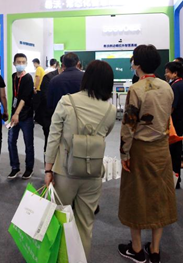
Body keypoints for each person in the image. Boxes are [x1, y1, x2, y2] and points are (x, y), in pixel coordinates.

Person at [44, 60, 116, 259]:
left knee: (59, 219)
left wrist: (48, 169)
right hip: (93, 172)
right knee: (85, 225)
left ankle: (58, 258)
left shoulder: (67, 101)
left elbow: (53, 138)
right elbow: (105, 133)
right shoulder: (110, 110)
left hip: (64, 172)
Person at [118, 45, 177, 263]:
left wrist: (124, 153)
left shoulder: (136, 89)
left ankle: (136, 249)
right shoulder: (167, 87)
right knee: (159, 196)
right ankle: (155, 250)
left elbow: (128, 125)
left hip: (140, 150)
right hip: (162, 149)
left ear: (137, 64)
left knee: (136, 196)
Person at [7, 53, 35, 180]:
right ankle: (15, 167)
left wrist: (17, 114)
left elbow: (24, 98)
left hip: (25, 115)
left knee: (28, 143)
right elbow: (15, 96)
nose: (21, 64)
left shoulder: (28, 78)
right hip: (15, 114)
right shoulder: (14, 76)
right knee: (11, 141)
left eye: (23, 62)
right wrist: (12, 113)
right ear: (14, 63)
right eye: (18, 62)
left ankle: (29, 168)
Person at [164, 61, 183, 189]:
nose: (166, 74)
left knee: (172, 153)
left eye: (168, 72)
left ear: (175, 73)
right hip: (181, 122)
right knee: (176, 152)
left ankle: (173, 180)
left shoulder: (175, 87)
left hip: (174, 123)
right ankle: (176, 179)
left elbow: (171, 108)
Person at [39, 55, 63, 151]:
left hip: (65, 118)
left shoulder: (71, 78)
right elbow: (45, 97)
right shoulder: (49, 77)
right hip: (50, 116)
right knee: (49, 143)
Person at [32, 58, 45, 126]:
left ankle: (36, 119)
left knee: (36, 104)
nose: (33, 65)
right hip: (41, 89)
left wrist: (35, 88)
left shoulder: (38, 69)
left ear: (35, 63)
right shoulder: (41, 69)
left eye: (33, 63)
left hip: (38, 89)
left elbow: (38, 79)